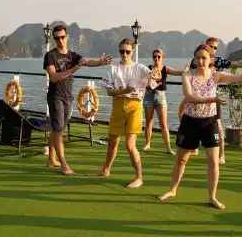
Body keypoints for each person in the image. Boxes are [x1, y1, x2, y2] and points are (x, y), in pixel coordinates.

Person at [157, 44, 242, 209]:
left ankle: (212, 196)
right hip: (190, 122)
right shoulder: (187, 75)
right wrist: (212, 100)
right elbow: (189, 97)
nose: (201, 61)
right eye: (198, 57)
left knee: (213, 161)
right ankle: (173, 189)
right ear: (194, 58)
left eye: (204, 58)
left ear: (210, 60)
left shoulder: (216, 76)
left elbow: (241, 77)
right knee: (181, 159)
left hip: (209, 122)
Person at [43, 24, 112, 175]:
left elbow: (86, 62)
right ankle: (63, 164)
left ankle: (50, 159)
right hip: (56, 96)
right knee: (59, 130)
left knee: (57, 129)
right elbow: (53, 77)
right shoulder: (50, 56)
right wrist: (72, 70)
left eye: (62, 37)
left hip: (68, 96)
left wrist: (99, 62)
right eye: (56, 38)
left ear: (66, 36)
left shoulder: (72, 55)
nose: (60, 40)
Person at [95, 39, 159, 188]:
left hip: (134, 105)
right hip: (118, 105)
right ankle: (106, 169)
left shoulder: (140, 68)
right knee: (112, 142)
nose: (125, 54)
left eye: (128, 51)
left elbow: (153, 80)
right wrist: (123, 90)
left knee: (130, 145)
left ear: (133, 51)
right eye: (122, 51)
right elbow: (110, 91)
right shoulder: (113, 69)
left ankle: (139, 177)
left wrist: (156, 74)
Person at [188, 37, 242, 162]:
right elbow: (190, 75)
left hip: (213, 99)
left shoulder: (218, 61)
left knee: (217, 125)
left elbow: (236, 63)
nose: (212, 49)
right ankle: (194, 148)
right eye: (210, 46)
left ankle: (221, 155)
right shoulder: (195, 60)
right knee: (192, 121)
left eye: (215, 47)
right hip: (196, 98)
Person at [142, 48, 183, 154]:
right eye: (154, 56)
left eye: (159, 56)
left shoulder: (165, 69)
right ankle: (147, 144)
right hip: (149, 96)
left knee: (163, 123)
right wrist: (147, 84)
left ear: (162, 58)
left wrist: (188, 70)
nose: (156, 58)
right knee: (149, 122)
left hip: (160, 96)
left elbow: (178, 73)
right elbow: (142, 81)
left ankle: (168, 147)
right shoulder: (148, 69)